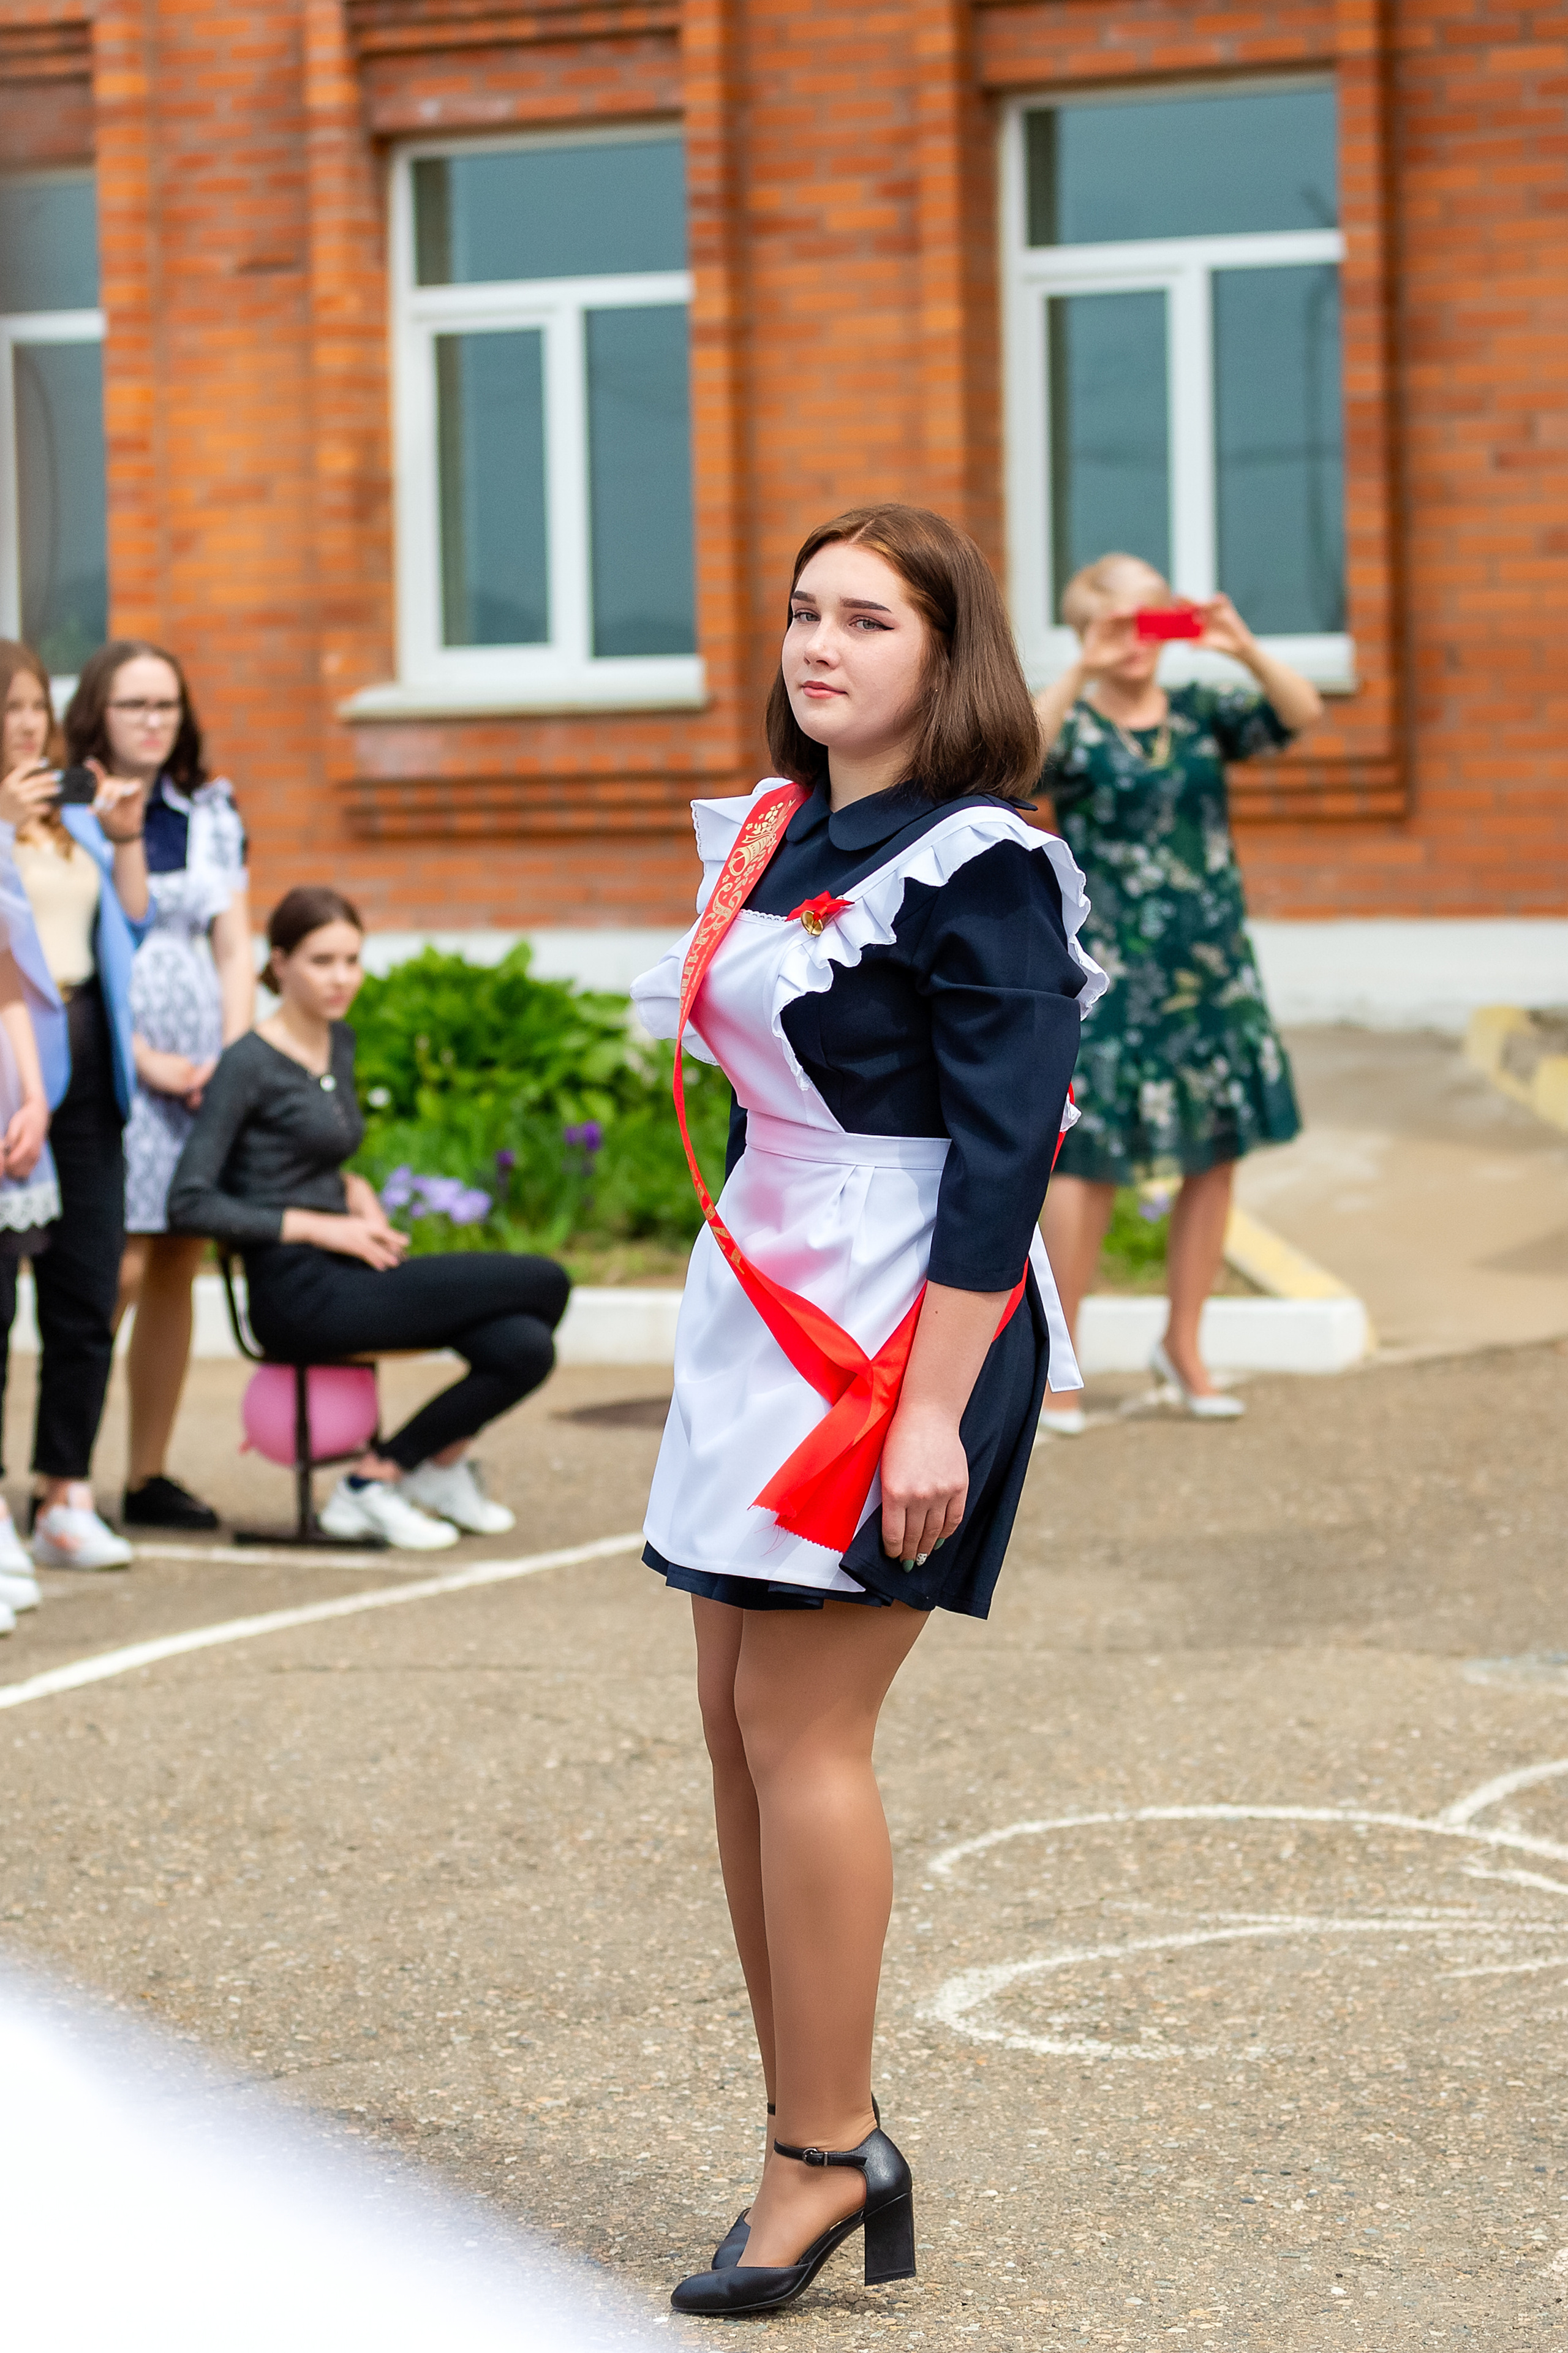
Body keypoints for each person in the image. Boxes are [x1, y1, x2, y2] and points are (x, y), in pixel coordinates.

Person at [628, 504, 1102, 2317]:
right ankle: (811, 2118)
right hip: (766, 1288)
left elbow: (1006, 1150)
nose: (819, 645)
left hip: (908, 1320)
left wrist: (931, 1411)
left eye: (868, 620)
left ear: (946, 653)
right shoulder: (775, 826)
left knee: (802, 1727)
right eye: (802, 611)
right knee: (731, 1727)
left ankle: (819, 2151)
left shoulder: (986, 863)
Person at [166, 886, 570, 1550]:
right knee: (545, 1281)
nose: (341, 978)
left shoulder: (339, 1041)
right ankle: (377, 1483)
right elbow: (190, 1200)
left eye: (352, 960)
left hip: (350, 1269)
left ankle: (411, 1469)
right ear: (279, 963)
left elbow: (305, 1157)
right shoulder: (247, 1063)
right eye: (322, 961)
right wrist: (320, 1225)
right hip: (295, 1292)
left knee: (523, 1347)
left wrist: (351, 1187)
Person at [1031, 553, 1323, 1430]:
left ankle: (1183, 1347)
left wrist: (1241, 646)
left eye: (1153, 619)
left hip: (1212, 967)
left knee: (1215, 1150)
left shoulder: (1199, 712)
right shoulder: (1075, 726)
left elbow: (1300, 713)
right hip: (1111, 974)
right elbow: (1016, 765)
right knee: (1086, 1161)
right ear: (1086, 629)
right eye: (1118, 623)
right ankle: (1060, 1368)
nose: (1137, 640)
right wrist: (1081, 666)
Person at [62, 641, 254, 1533]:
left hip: (204, 1069)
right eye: (134, 704)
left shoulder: (210, 810)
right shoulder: (67, 809)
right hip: (115, 1059)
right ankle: (63, 1471)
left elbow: (233, 945)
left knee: (179, 1254)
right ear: (97, 713)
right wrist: (141, 1058)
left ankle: (146, 1475)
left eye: (166, 705)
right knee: (119, 1265)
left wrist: (232, 1060)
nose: (152, 721)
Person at [0, 641, 150, 1570]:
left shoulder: (69, 816)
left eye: (34, 707)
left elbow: (130, 922)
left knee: (89, 1288)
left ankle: (64, 1494)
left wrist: (123, 835)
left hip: (91, 1057)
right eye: (9, 709)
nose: (27, 724)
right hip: (14, 1064)